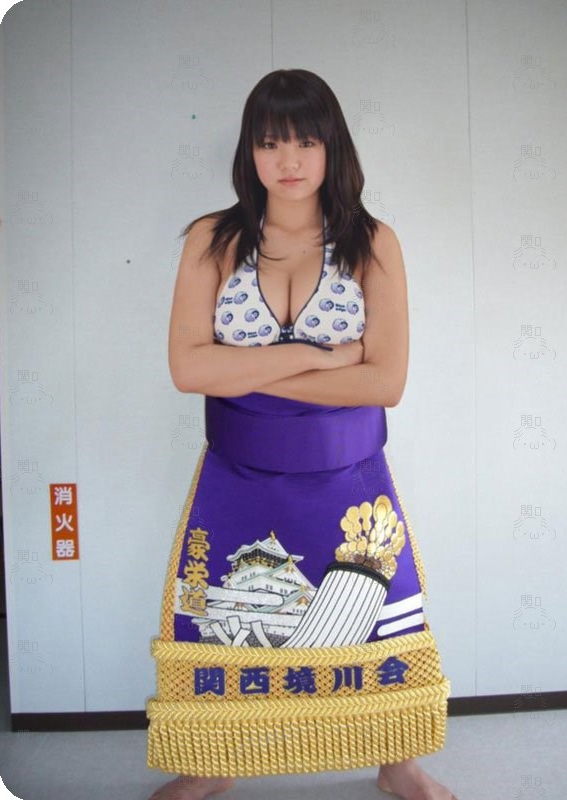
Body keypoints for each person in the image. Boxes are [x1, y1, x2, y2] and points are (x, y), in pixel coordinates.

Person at [146, 69, 457, 800]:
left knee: (378, 622)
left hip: (350, 481)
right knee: (227, 616)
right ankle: (214, 757)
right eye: (269, 142)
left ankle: (397, 760)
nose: (288, 159)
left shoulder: (373, 243)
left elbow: (385, 383)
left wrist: (244, 371)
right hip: (236, 477)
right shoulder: (213, 239)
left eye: (305, 141)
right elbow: (187, 368)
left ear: (331, 146)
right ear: (249, 152)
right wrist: (325, 358)